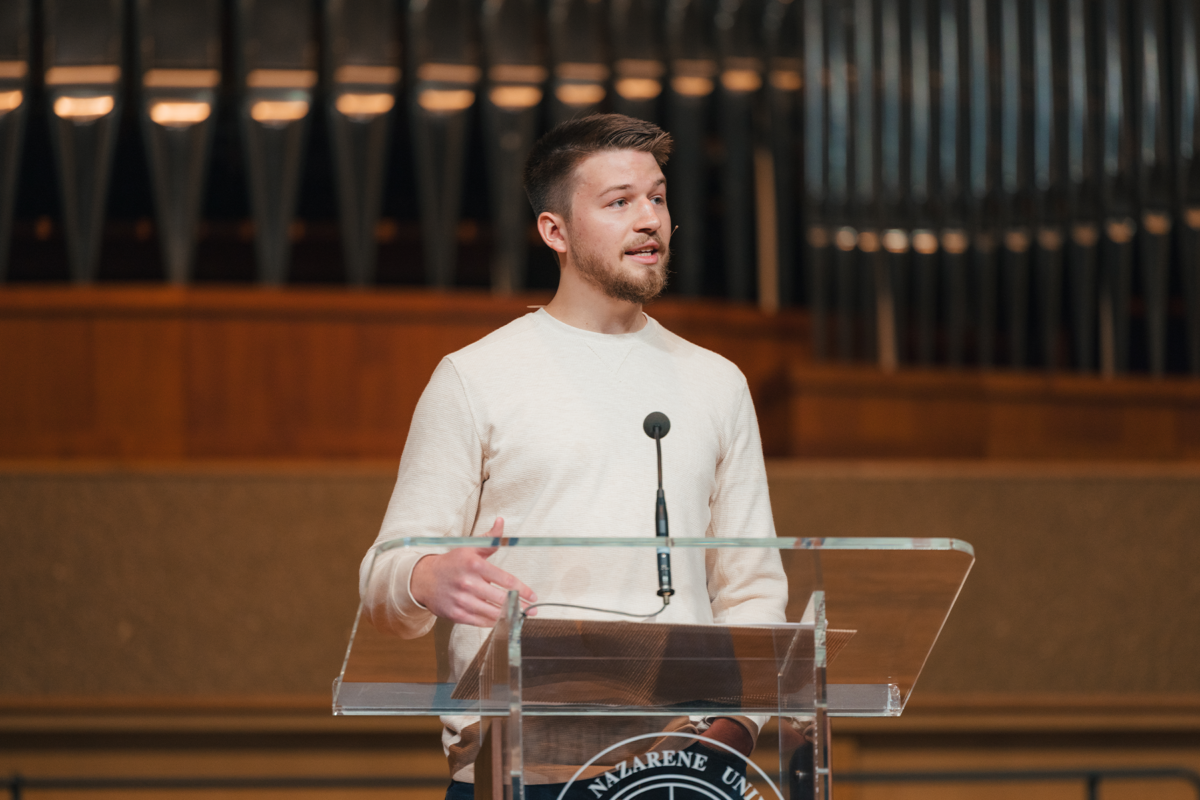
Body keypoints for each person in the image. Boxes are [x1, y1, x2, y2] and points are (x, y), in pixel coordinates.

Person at [359, 114, 787, 798]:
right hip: (520, 763)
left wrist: (737, 731)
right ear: (554, 231)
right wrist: (426, 576)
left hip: (686, 769)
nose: (649, 219)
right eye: (618, 202)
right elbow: (385, 577)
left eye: (658, 197)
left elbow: (753, 587)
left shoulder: (717, 383)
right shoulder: (476, 377)